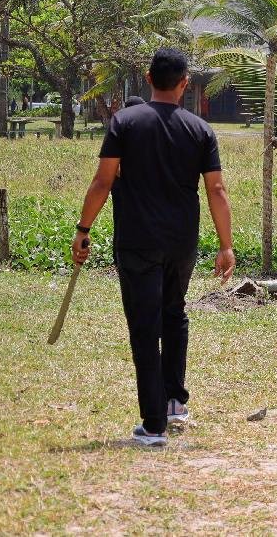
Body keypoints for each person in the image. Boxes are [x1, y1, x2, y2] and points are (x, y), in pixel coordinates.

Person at [70, 48, 235, 447]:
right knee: (174, 314)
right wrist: (226, 245)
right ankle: (175, 400)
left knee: (145, 327)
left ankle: (154, 425)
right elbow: (216, 188)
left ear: (147, 78)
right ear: (184, 83)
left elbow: (102, 182)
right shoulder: (200, 130)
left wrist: (83, 228)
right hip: (181, 243)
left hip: (138, 241)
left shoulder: (124, 122)